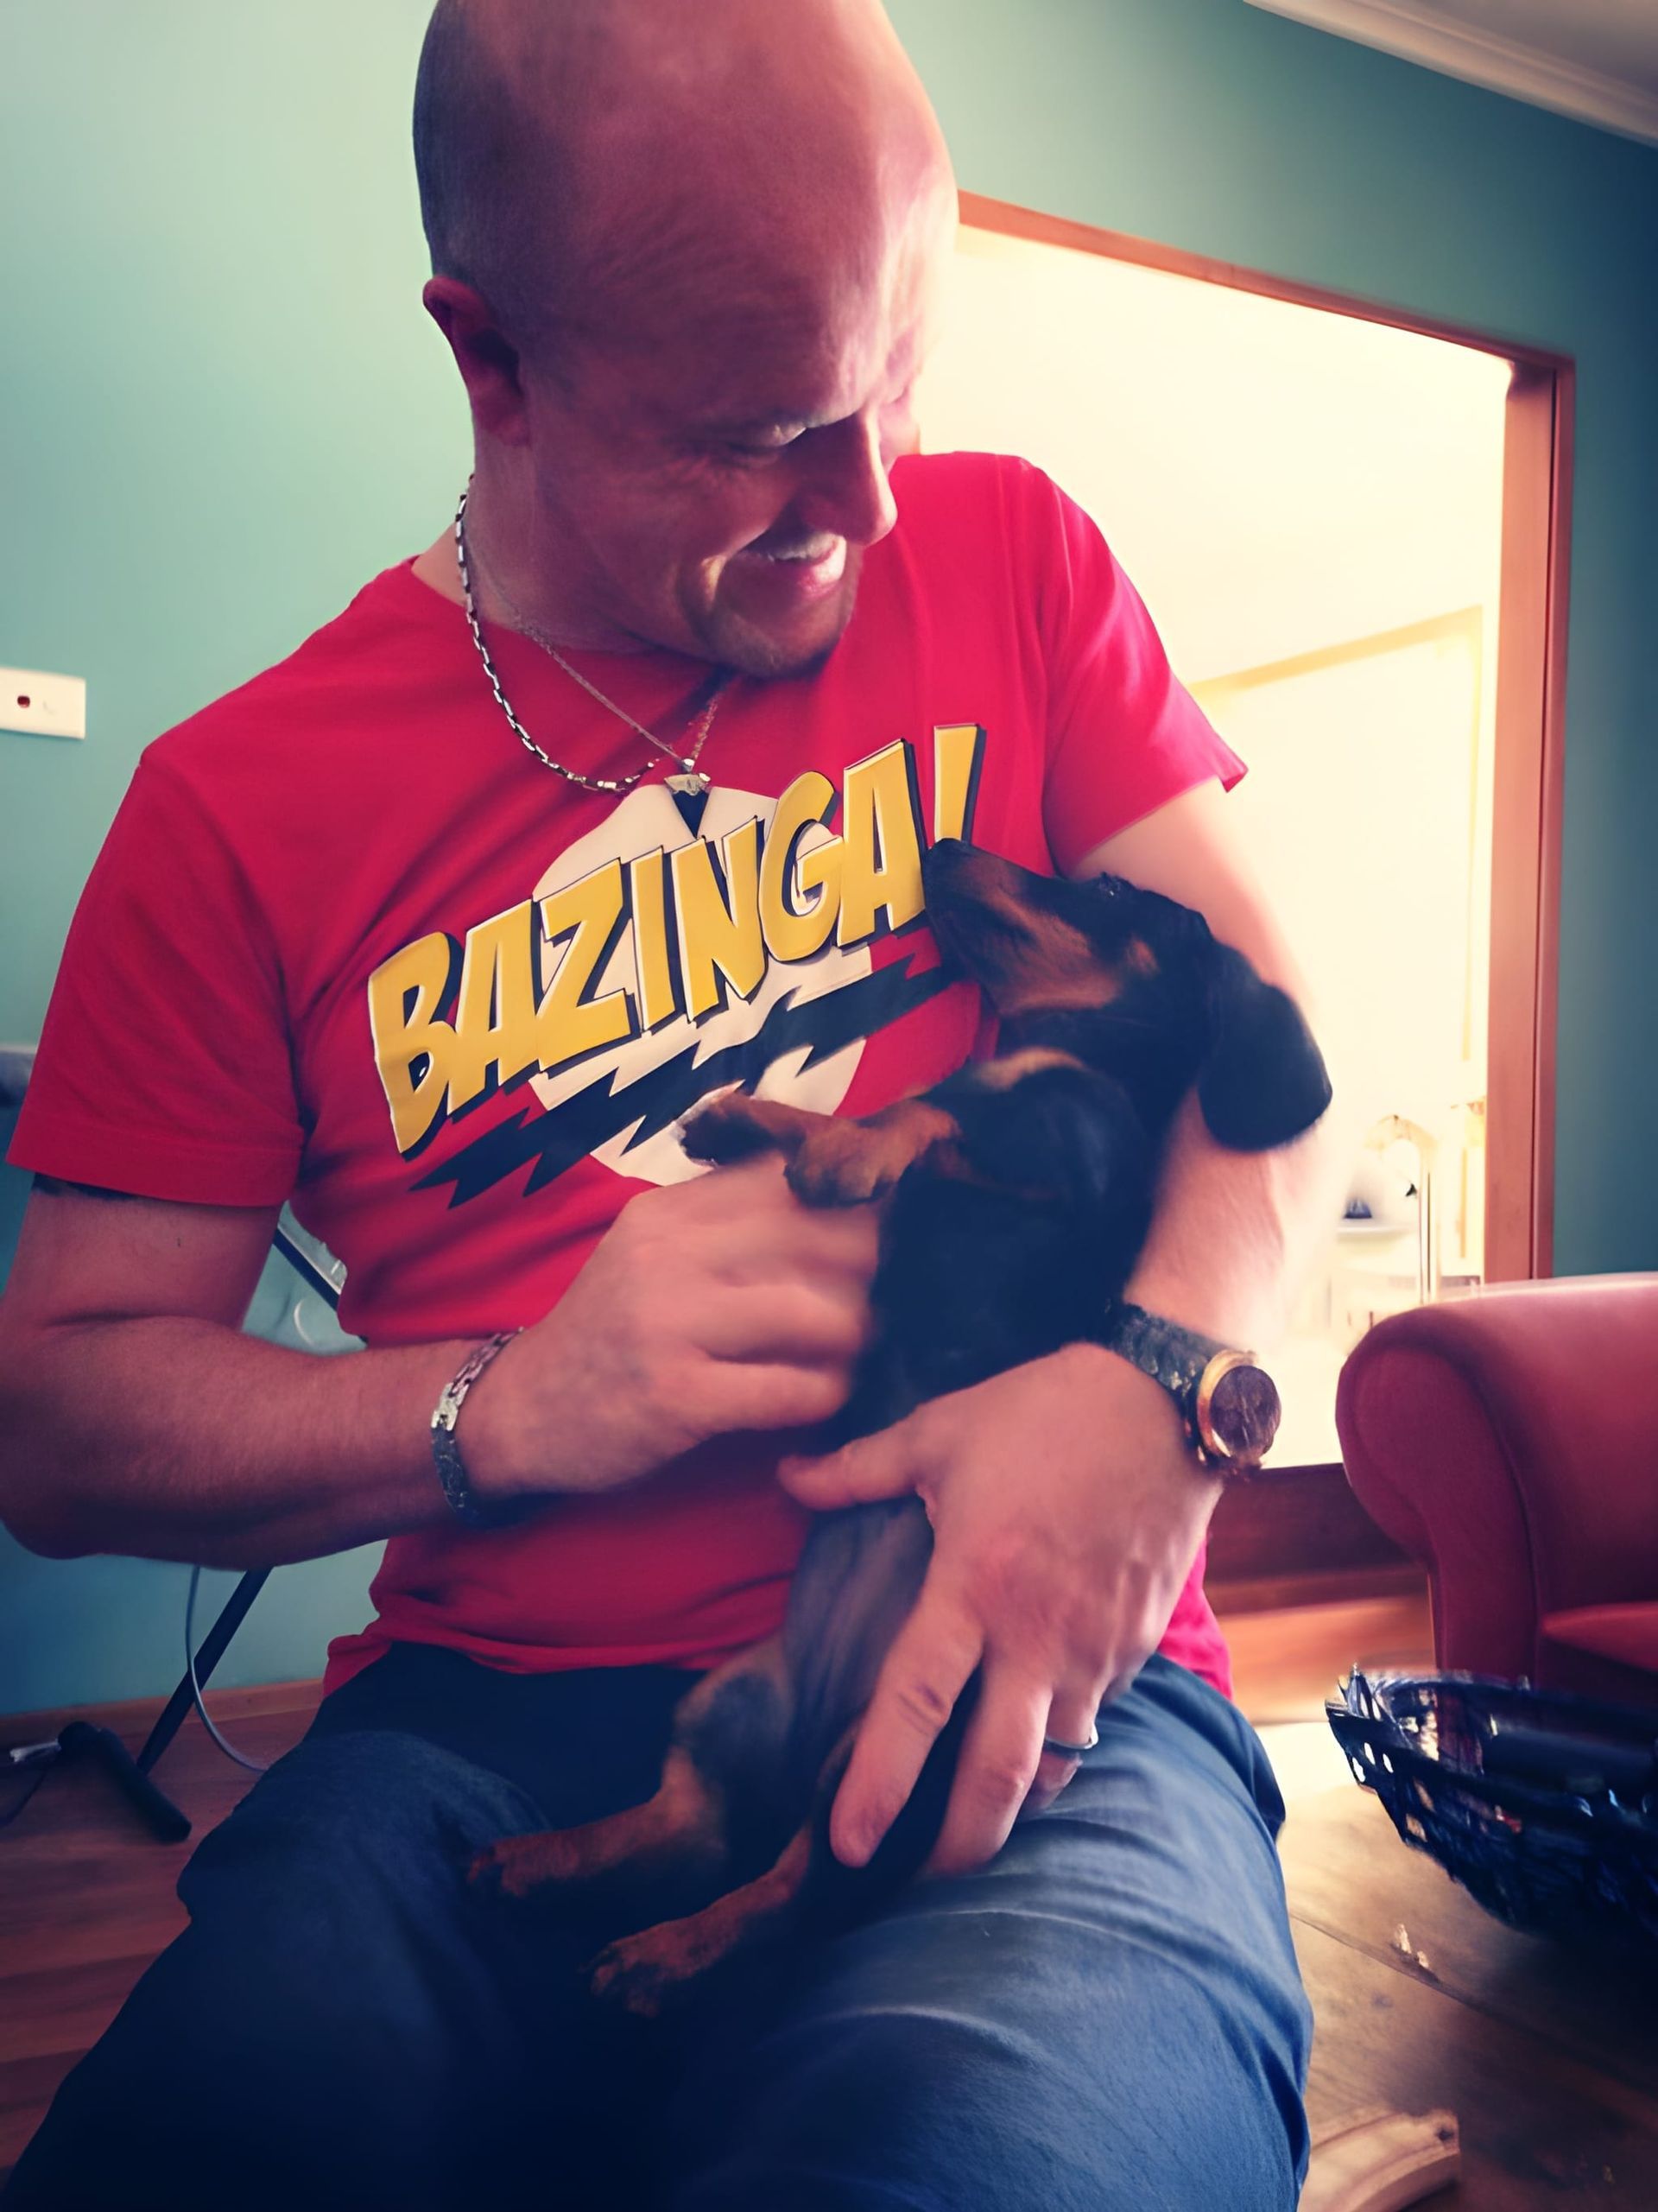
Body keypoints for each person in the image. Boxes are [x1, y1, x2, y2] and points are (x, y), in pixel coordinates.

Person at [0, 0, 1338, 2204]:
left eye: (902, 364)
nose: (875, 495)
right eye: (767, 430)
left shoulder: (1014, 564)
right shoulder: (231, 807)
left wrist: (1161, 1377)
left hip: (1025, 1688)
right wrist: (494, 1406)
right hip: (472, 1746)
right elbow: (57, 1418)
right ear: (492, 361)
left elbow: (1266, 1006)